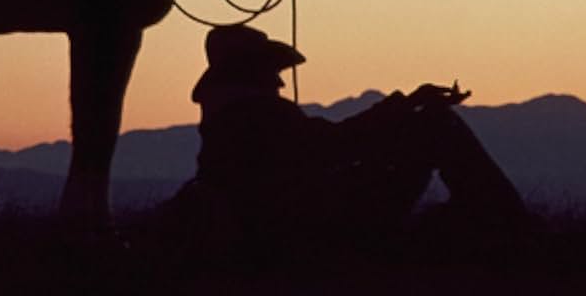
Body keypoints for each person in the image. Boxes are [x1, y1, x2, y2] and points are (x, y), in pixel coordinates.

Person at [181, 24, 528, 249]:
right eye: (272, 71)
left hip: (301, 225)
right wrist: (408, 108)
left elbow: (327, 144)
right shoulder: (254, 116)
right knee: (436, 125)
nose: (280, 82)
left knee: (428, 125)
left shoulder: (230, 119)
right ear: (251, 71)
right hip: (317, 229)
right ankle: (518, 229)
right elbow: (334, 146)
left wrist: (407, 107)